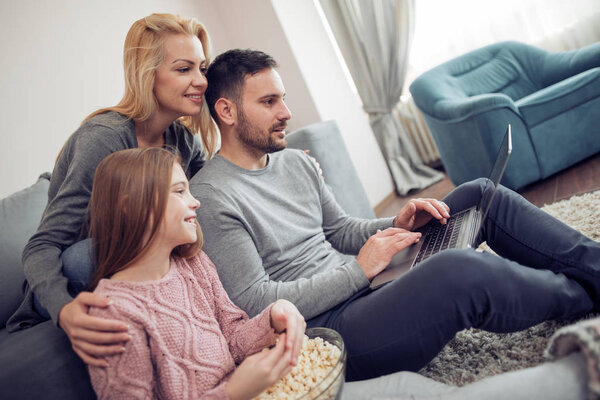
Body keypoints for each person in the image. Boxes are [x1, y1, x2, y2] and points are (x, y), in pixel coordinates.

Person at [189, 48, 600, 382]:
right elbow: (257, 302)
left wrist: (399, 223)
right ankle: (586, 293)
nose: (286, 112)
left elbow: (339, 228)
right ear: (226, 111)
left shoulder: (293, 160)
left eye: (283, 97)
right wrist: (359, 272)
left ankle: (593, 267)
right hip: (331, 328)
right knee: (459, 270)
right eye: (269, 101)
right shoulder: (211, 196)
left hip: (366, 285)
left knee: (479, 193)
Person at [7, 13, 219, 368]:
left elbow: (213, 197)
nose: (200, 81)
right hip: (74, 271)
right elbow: (41, 247)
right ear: (147, 74)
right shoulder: (103, 137)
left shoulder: (182, 140)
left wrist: (271, 165)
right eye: (184, 69)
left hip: (139, 263)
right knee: (86, 255)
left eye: (202, 68)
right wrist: (66, 311)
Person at [85, 147, 305, 399]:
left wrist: (275, 314)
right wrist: (232, 393)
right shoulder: (113, 312)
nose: (195, 201)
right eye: (179, 191)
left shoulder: (194, 263)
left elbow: (231, 340)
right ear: (131, 204)